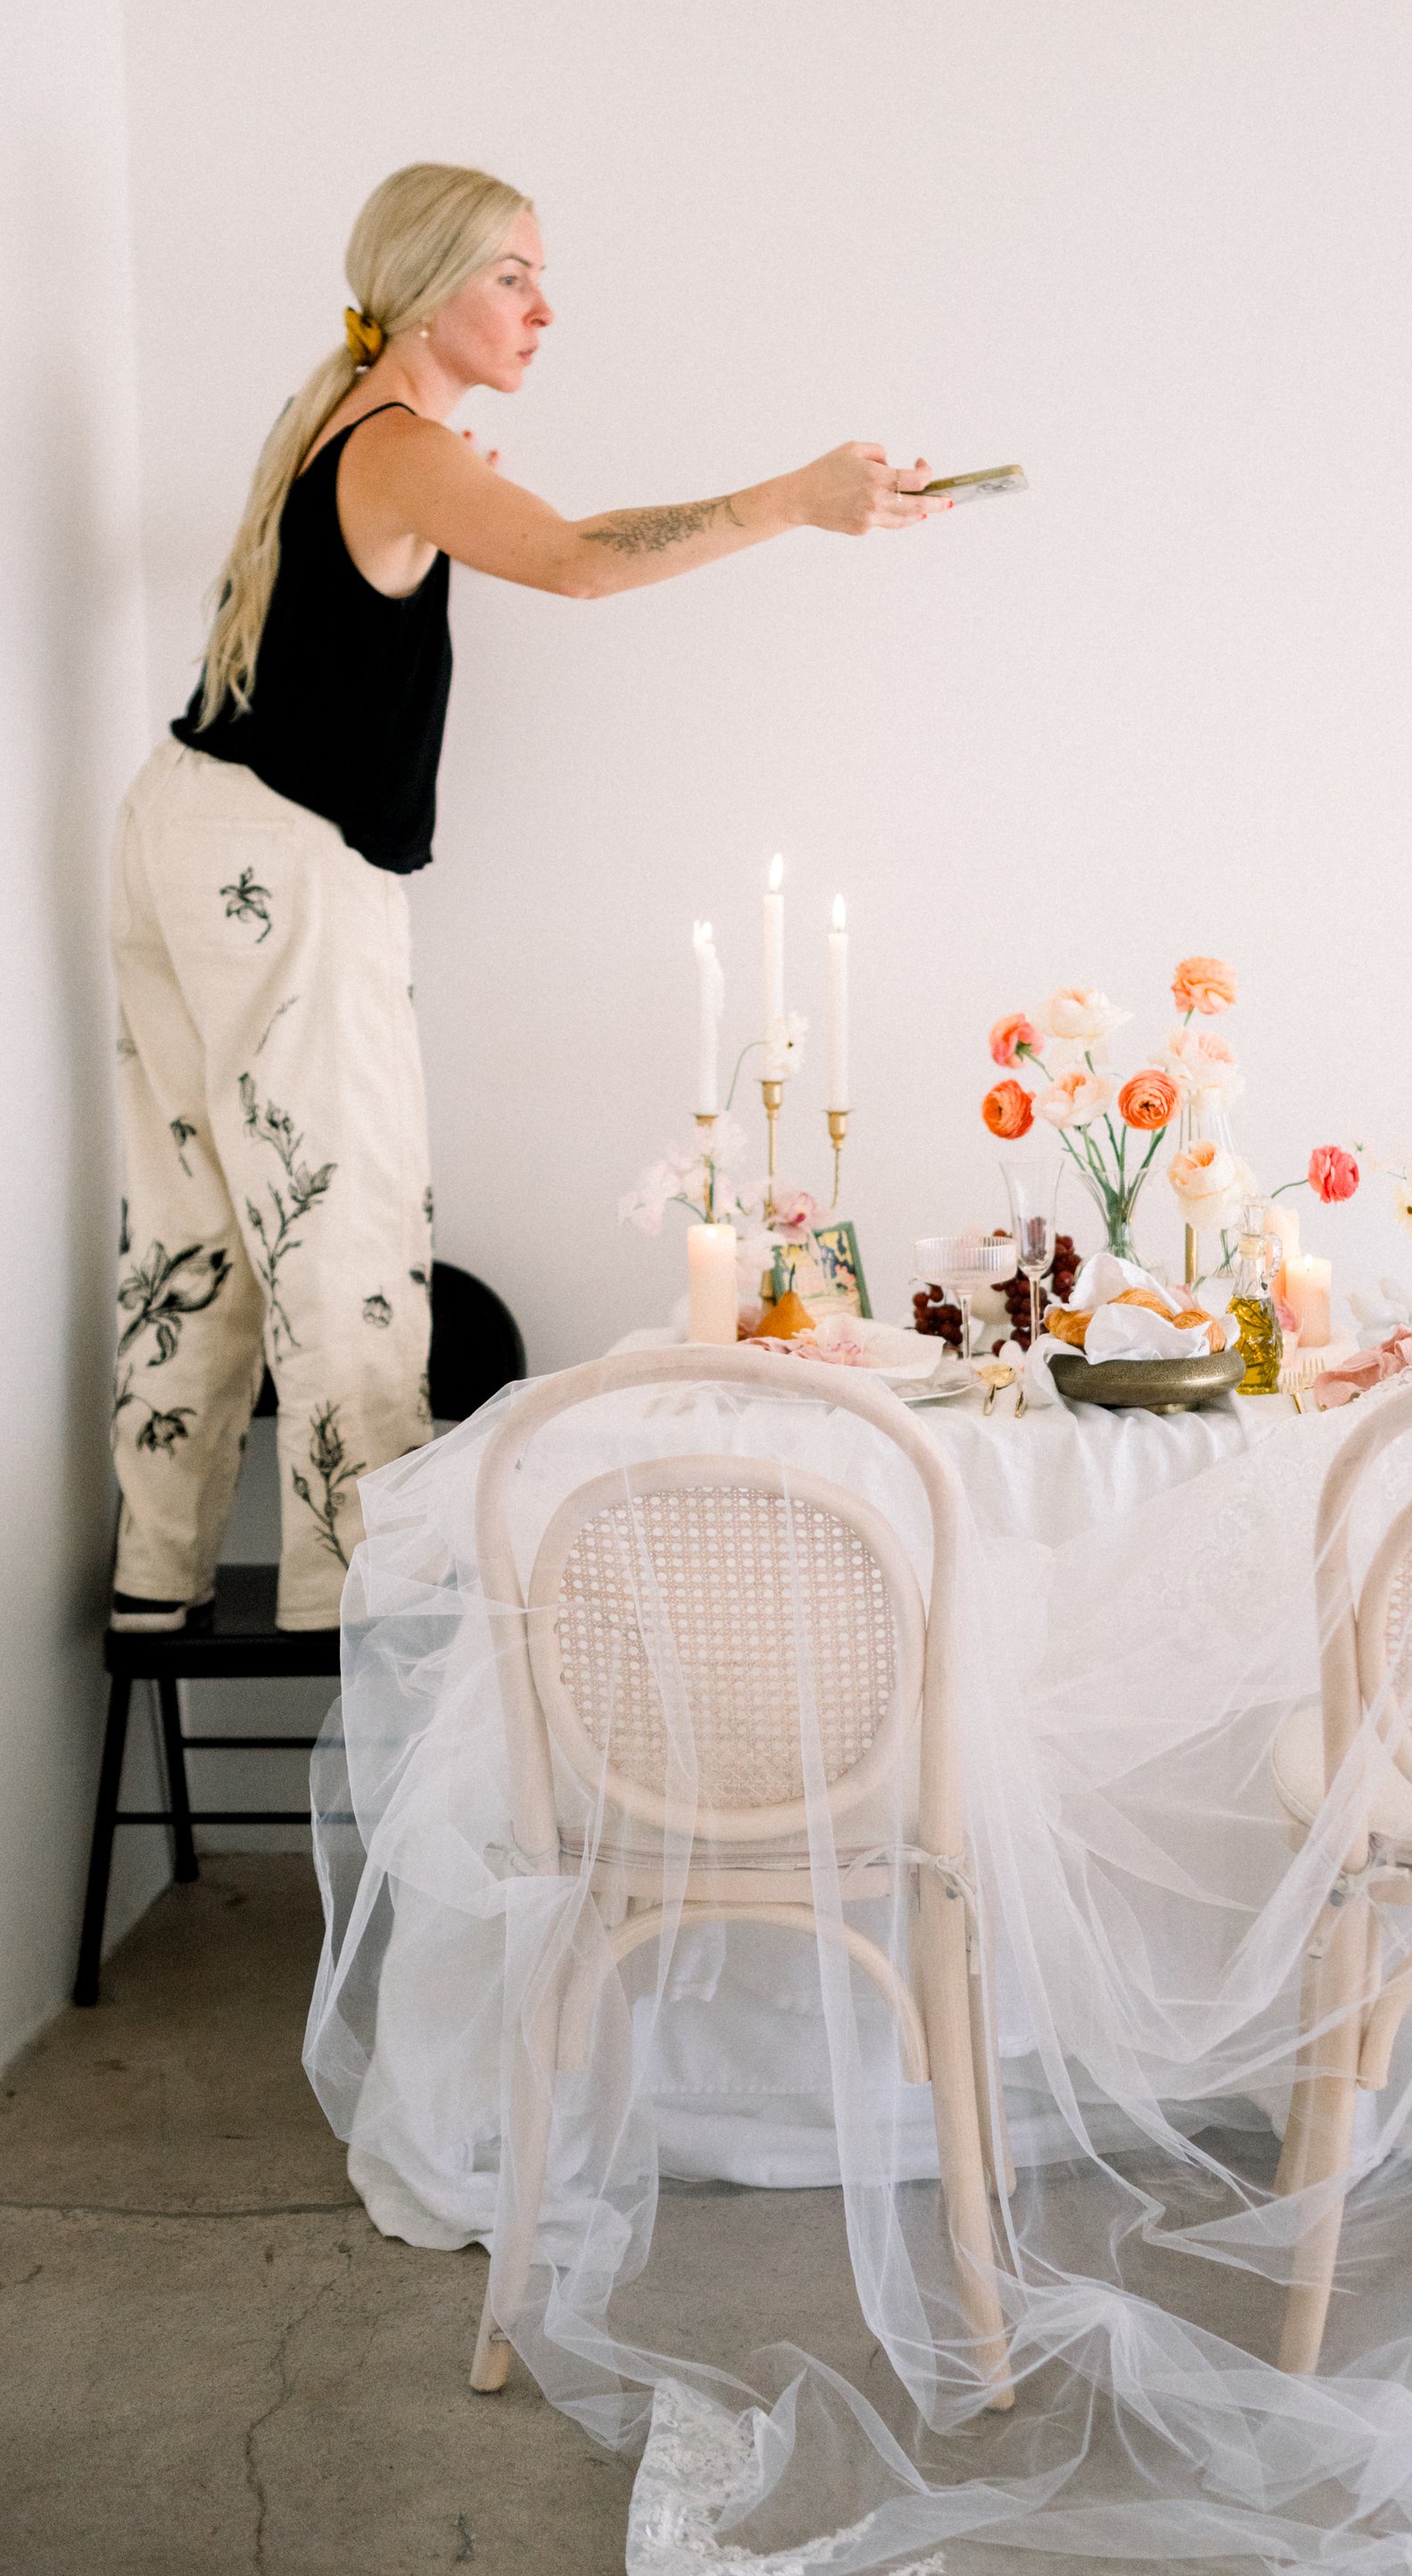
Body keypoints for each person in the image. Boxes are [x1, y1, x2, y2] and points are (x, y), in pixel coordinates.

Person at [109, 160, 938, 1635]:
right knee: (343, 1229)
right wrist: (798, 500)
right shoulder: (402, 443)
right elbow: (572, 562)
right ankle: (348, 1616)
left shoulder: (341, 417)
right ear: (428, 286)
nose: (544, 307)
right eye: (513, 276)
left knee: (197, 1231)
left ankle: (154, 1580)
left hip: (186, 826)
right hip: (284, 857)